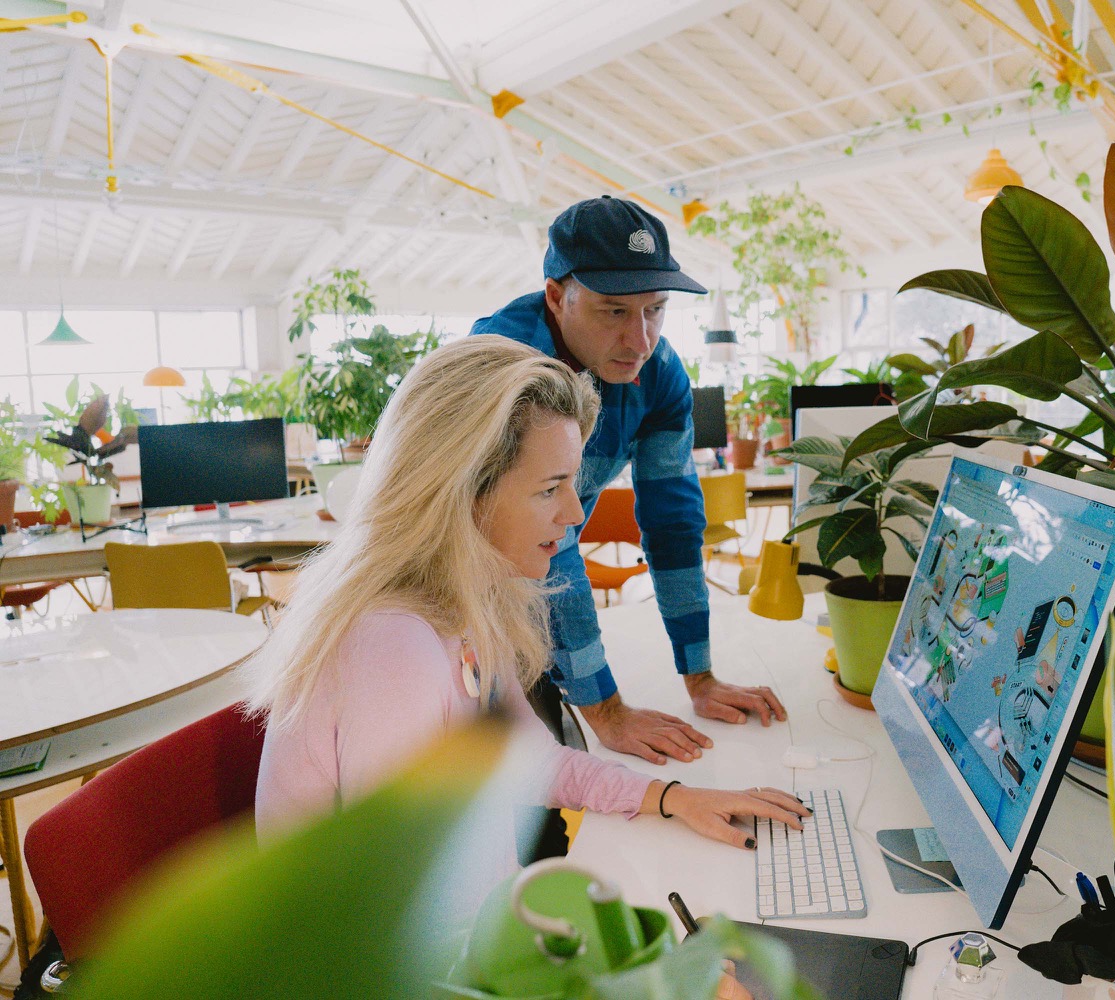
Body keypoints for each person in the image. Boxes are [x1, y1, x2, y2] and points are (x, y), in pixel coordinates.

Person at [245, 337, 808, 886]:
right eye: (550, 488)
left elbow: (530, 761)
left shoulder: (463, 604)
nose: (573, 514)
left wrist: (672, 799)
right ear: (463, 492)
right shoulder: (393, 647)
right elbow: (403, 917)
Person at [471, 197, 786, 766]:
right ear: (555, 296)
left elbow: (672, 521)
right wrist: (608, 712)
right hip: (448, 600)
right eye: (613, 311)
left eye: (655, 310)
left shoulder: (659, 373)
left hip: (528, 590)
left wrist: (701, 676)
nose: (640, 340)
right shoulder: (508, 373)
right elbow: (552, 541)